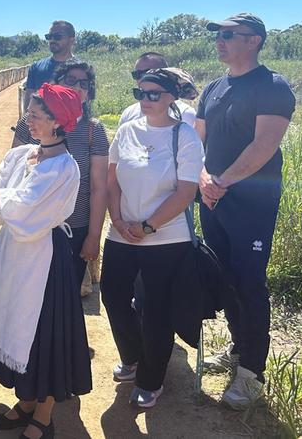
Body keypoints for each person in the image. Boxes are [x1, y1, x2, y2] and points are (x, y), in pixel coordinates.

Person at [0, 83, 91, 439]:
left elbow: (20, 209)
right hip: (15, 252)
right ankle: (27, 401)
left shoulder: (63, 167)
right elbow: (1, 200)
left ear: (58, 122)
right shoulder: (24, 154)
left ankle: (44, 413)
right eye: (29, 111)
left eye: (35, 113)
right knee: (16, 323)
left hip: (44, 260)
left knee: (43, 332)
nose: (27, 118)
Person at [197, 13, 295, 410]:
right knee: (226, 278)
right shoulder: (215, 87)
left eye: (227, 35)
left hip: (250, 202)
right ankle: (238, 350)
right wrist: (205, 177)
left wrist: (221, 181)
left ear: (253, 40)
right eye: (218, 36)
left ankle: (252, 372)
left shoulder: (272, 87)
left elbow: (263, 147)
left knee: (250, 282)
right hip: (213, 197)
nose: (219, 41)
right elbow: (198, 142)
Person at [102, 68, 204, 409]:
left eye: (153, 94)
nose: (145, 100)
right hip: (121, 232)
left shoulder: (184, 136)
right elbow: (112, 180)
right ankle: (133, 356)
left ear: (171, 97)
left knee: (156, 308)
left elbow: (185, 192)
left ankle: (151, 378)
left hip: (165, 238)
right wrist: (117, 219)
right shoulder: (126, 130)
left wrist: (147, 226)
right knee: (113, 296)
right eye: (139, 93)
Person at [11, 60, 108, 298]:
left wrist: (94, 236)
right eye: (70, 81)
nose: (77, 87)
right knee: (28, 298)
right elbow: (14, 173)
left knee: (64, 299)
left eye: (84, 83)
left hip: (73, 229)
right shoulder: (29, 123)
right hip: (32, 227)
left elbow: (98, 188)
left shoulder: (93, 130)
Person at [119, 52, 197, 127]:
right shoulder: (128, 113)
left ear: (166, 73)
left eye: (149, 72)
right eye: (137, 74)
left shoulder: (185, 113)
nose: (142, 78)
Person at [22, 21, 76, 104]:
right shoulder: (36, 67)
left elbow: (85, 103)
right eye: (49, 36)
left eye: (57, 37)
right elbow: (29, 102)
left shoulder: (82, 69)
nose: (52, 40)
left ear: (71, 40)